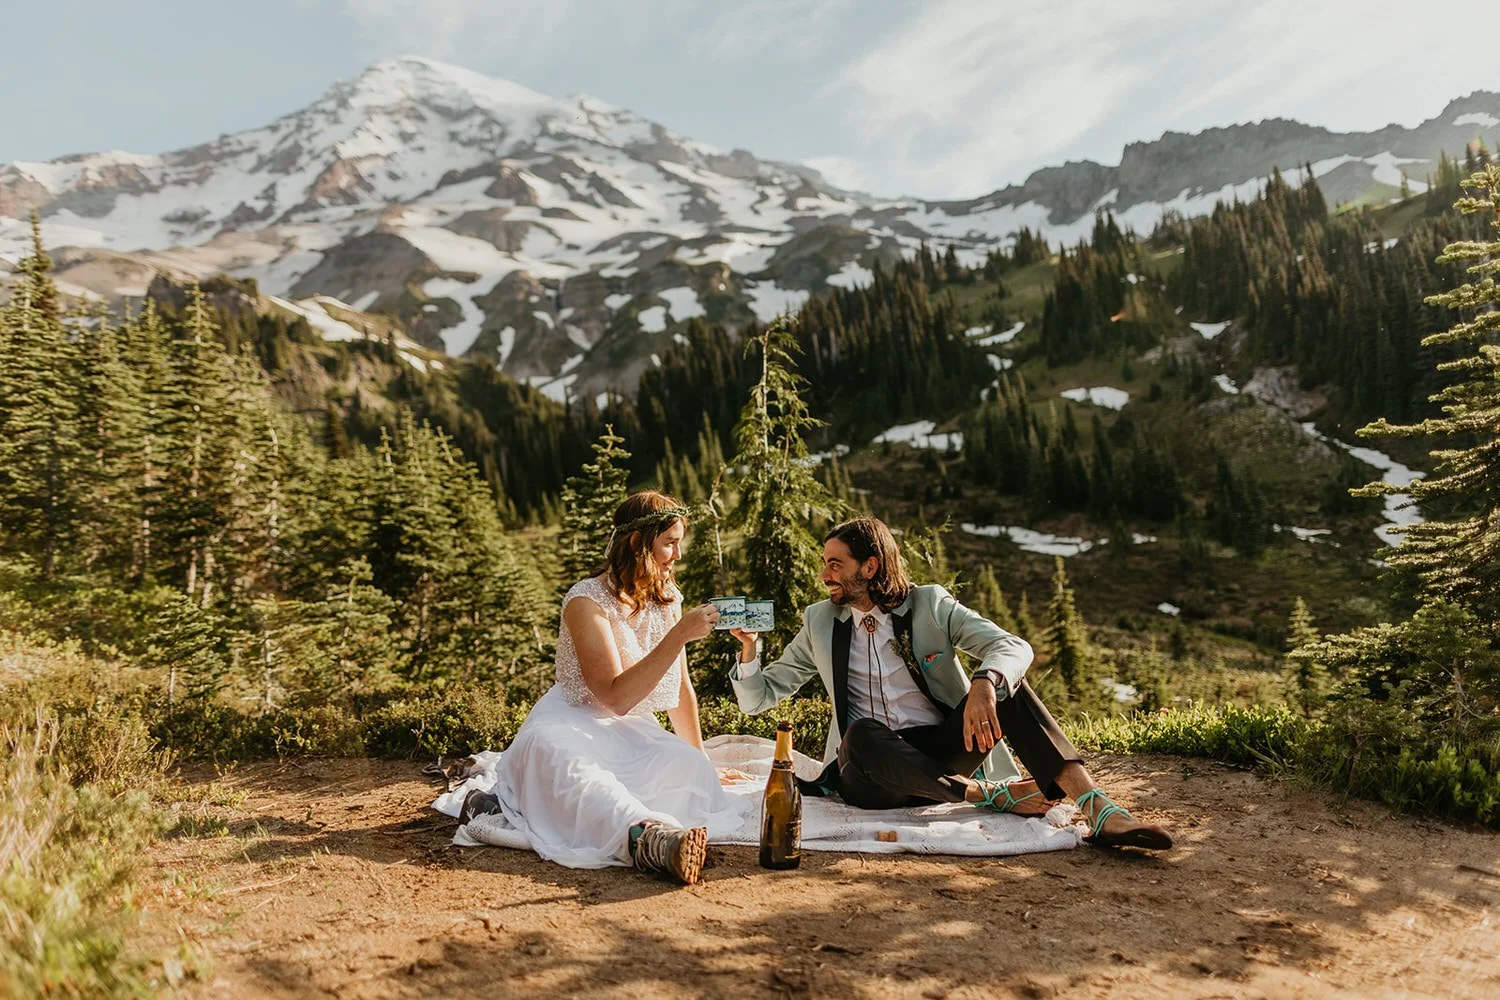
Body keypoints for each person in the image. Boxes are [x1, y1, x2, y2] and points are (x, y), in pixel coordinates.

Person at [728, 516, 1173, 851]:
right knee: (862, 734)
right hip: (869, 772)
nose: (825, 575)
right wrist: (748, 650)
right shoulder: (820, 621)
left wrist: (985, 681)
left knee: (1007, 686)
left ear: (870, 566)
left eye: (834, 564)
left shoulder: (930, 605)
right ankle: (989, 795)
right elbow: (758, 699)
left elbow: (1012, 646)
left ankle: (1098, 810)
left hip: (943, 750)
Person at [459, 490, 744, 883]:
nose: (677, 555)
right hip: (569, 722)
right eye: (669, 543)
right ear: (637, 543)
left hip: (628, 730)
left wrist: (700, 755)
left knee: (691, 768)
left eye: (680, 542)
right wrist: (678, 635)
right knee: (585, 778)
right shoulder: (586, 601)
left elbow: (679, 690)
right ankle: (650, 840)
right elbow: (614, 696)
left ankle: (658, 832)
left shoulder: (668, 599)